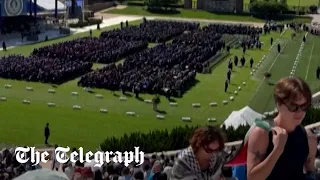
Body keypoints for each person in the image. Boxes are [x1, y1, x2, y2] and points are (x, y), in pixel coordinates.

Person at [246, 77, 317, 180]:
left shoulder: (308, 137)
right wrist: (277, 150)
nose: (300, 112)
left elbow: (311, 173)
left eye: (305, 106)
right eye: (293, 106)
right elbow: (252, 178)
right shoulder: (262, 133)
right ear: (278, 104)